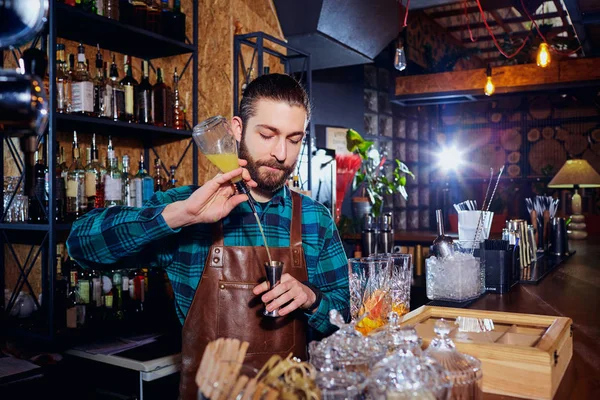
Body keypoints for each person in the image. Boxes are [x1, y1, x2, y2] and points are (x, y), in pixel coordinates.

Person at [66, 73, 350, 399]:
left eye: (294, 139)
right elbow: (81, 244)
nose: (282, 153)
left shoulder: (316, 219)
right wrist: (181, 215)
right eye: (268, 135)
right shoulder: (188, 207)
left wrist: (311, 298)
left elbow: (346, 316)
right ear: (237, 129)